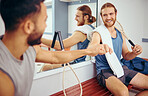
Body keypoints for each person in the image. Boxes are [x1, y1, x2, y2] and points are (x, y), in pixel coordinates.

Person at [0, 0, 111, 96]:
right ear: (28, 27)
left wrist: (89, 51)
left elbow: (55, 56)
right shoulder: (3, 82)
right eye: (44, 20)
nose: (46, 26)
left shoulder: (31, 50)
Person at [89, 2, 148, 96]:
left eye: (111, 14)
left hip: (120, 68)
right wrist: (98, 47)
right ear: (101, 16)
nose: (108, 17)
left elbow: (126, 56)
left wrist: (134, 53)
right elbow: (91, 47)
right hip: (105, 71)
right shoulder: (98, 33)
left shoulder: (120, 34)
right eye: (105, 15)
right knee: (124, 92)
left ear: (116, 14)